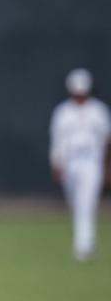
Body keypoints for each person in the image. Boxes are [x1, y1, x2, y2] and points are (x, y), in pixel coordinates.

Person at [50, 68, 111, 262]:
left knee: (87, 203)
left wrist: (108, 165)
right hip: (70, 161)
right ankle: (86, 243)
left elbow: (107, 141)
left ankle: (83, 247)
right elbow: (57, 140)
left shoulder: (99, 111)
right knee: (75, 204)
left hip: (92, 161)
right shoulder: (62, 112)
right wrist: (56, 163)